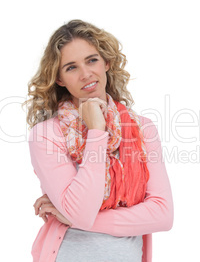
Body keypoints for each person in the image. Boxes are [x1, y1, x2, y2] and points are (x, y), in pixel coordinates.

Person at [23, 19, 174, 262]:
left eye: (92, 60)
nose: (86, 74)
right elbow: (81, 212)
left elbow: (163, 215)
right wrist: (96, 130)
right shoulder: (46, 135)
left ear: (106, 62)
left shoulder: (142, 129)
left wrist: (71, 216)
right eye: (71, 67)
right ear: (59, 79)